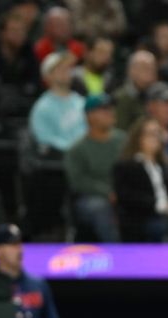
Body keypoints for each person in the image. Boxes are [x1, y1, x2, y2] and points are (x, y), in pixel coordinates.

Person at [63, 93, 125, 242]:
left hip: (124, 193)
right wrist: (107, 192)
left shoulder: (123, 140)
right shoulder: (77, 149)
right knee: (99, 207)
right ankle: (117, 254)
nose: (110, 113)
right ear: (89, 116)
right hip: (93, 197)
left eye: (111, 109)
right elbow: (78, 181)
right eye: (104, 110)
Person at [113, 117, 168, 242]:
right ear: (138, 138)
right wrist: (160, 206)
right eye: (150, 134)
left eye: (157, 134)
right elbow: (127, 197)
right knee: (160, 226)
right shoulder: (126, 166)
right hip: (141, 218)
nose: (155, 138)